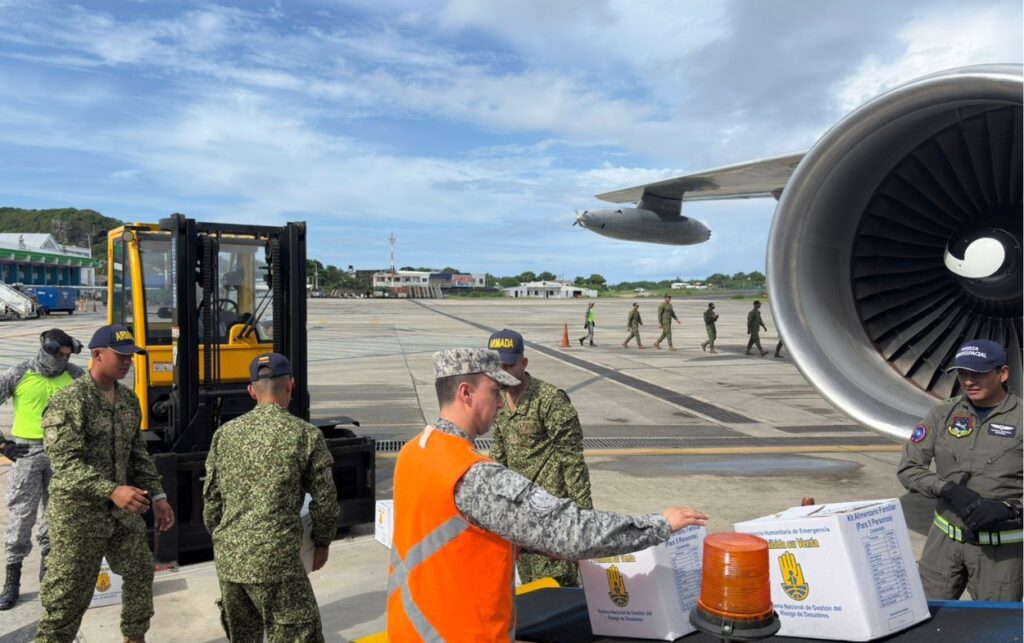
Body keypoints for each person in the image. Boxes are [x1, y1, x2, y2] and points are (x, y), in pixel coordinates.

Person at [386, 348, 708, 641]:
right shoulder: (474, 475)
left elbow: (447, 534)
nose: (501, 403)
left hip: (410, 630)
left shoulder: (415, 451)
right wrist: (660, 524)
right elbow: (573, 533)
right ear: (465, 393)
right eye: (495, 392)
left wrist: (522, 543)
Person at [36, 325, 175, 643]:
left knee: (140, 569)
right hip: (78, 516)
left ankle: (134, 636)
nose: (128, 362)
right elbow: (66, 465)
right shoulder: (69, 402)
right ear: (98, 355)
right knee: (67, 599)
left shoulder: (128, 400)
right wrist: (112, 490)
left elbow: (137, 455)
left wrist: (158, 495)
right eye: (121, 356)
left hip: (121, 513)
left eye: (131, 356)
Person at [203, 353, 338, 642]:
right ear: (290, 385)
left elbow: (212, 503)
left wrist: (227, 542)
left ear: (251, 390)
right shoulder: (306, 435)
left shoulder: (224, 435)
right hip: (276, 562)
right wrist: (323, 542)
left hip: (230, 562)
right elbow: (325, 501)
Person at [897, 339, 1022, 601]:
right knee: (926, 620)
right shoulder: (942, 414)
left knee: (993, 630)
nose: (968, 382)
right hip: (943, 543)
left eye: (978, 374)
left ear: (1003, 374)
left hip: (1000, 551)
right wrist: (947, 489)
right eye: (963, 374)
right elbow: (909, 468)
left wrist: (1009, 509)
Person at [487, 329, 593, 587]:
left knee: (556, 588)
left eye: (509, 366)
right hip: (520, 518)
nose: (503, 373)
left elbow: (573, 462)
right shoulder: (498, 400)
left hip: (552, 515)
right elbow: (497, 458)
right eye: (496, 367)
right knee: (530, 586)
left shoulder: (550, 401)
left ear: (523, 363)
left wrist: (585, 522)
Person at [0, 330, 85, 610]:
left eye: (66, 355)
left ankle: (48, 578)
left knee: (56, 516)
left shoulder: (75, 376)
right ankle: (12, 581)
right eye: (58, 355)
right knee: (22, 516)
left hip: (63, 454)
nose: (62, 360)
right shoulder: (20, 373)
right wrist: (2, 444)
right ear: (45, 350)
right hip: (27, 453)